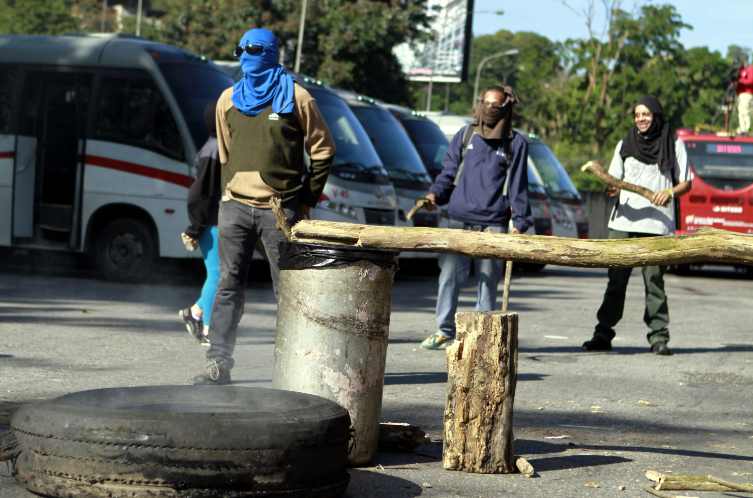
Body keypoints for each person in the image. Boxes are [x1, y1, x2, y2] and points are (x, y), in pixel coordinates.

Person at [193, 29, 335, 385]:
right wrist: (230, 191)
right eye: (240, 49)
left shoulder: (297, 97)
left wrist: (305, 198)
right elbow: (225, 151)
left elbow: (323, 150)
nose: (245, 56)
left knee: (287, 290)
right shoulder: (228, 99)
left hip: (280, 210)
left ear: (271, 52)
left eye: (254, 49)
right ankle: (218, 363)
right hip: (235, 208)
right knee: (228, 285)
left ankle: (296, 365)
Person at [419, 84, 532, 350]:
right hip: (458, 219)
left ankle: (481, 337)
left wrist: (521, 222)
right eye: (486, 103)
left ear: (506, 108)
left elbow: (518, 186)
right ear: (479, 103)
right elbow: (447, 173)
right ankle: (445, 330)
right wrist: (434, 195)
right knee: (448, 277)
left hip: (493, 223)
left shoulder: (515, 143)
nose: (490, 110)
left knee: (486, 282)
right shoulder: (465, 134)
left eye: (496, 106)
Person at [582, 95, 691, 356]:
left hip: (657, 223)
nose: (641, 119)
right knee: (615, 280)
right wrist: (611, 189)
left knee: (654, 281)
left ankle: (659, 337)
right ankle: (603, 334)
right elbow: (615, 181)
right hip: (624, 221)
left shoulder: (673, 142)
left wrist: (670, 193)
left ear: (655, 115)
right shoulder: (625, 143)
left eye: (646, 114)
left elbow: (686, 182)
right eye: (637, 114)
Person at [180, 101, 222, 346]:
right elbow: (200, 194)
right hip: (212, 224)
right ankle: (206, 329)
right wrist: (195, 228)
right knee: (216, 276)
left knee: (218, 275)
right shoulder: (214, 149)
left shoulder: (215, 146)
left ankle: (194, 312)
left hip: (213, 223)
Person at [737, 62, 753, 135]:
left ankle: (746, 128)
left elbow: (751, 81)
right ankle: (742, 128)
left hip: (747, 93)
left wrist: (741, 81)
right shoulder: (741, 70)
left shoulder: (750, 69)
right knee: (740, 112)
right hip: (740, 92)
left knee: (745, 111)